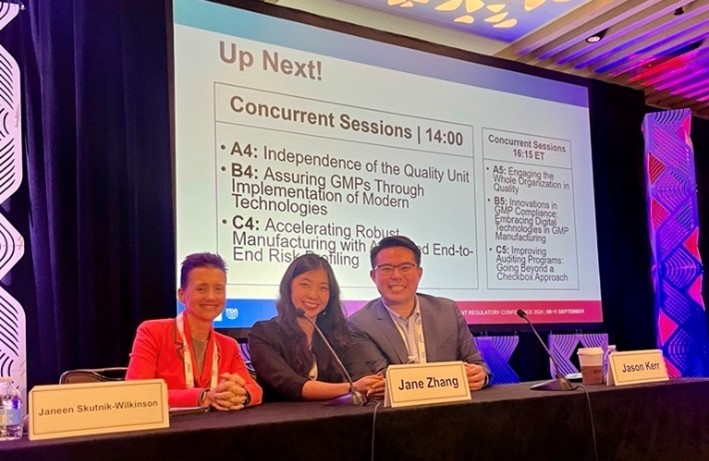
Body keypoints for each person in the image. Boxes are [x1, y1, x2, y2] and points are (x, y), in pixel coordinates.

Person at [349, 235, 491, 390]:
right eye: (387, 269)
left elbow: (476, 364)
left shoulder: (447, 311)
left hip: (453, 408)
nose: (396, 276)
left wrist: (480, 375)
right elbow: (380, 380)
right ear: (373, 276)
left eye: (405, 268)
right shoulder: (359, 324)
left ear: (419, 273)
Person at [126, 252, 262, 410]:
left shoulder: (228, 345)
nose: (211, 297)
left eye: (218, 289)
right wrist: (202, 397)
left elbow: (255, 390)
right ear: (182, 295)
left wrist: (240, 395)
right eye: (201, 289)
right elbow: (136, 392)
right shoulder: (153, 332)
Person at [248, 253, 384, 401]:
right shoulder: (263, 333)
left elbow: (360, 374)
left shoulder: (336, 333)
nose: (313, 295)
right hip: (279, 421)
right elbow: (290, 385)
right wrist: (352, 388)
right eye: (305, 285)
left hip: (334, 419)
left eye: (323, 288)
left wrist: (374, 384)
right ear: (288, 288)